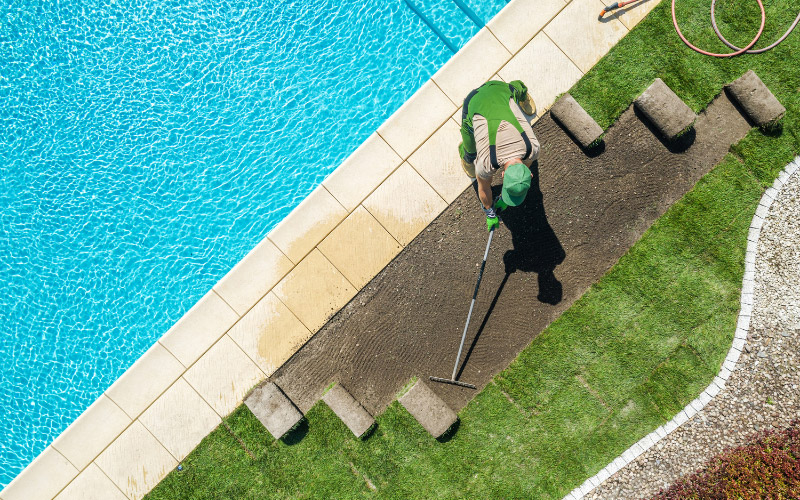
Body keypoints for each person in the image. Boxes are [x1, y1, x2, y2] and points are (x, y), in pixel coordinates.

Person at [458, 80, 539, 232]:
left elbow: (525, 164)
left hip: (501, 91)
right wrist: (489, 212)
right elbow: (483, 189)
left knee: (514, 91)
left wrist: (495, 205)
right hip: (475, 101)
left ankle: (521, 95)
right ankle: (464, 154)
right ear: (502, 175)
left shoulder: (533, 149)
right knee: (470, 152)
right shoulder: (486, 163)